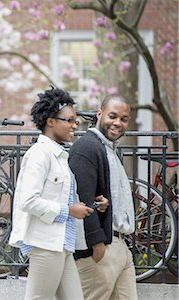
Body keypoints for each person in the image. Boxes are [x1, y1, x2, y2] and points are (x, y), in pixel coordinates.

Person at [9, 87, 108, 300]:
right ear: (51, 121)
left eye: (75, 120)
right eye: (69, 120)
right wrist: (69, 211)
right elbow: (28, 201)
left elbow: (60, 197)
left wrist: (91, 204)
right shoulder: (39, 154)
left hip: (62, 244)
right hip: (46, 245)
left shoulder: (59, 155)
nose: (75, 125)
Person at [69, 94, 137, 299]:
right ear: (99, 114)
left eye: (124, 119)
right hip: (101, 249)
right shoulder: (87, 148)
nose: (118, 123)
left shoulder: (111, 151)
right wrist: (97, 245)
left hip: (121, 248)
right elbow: (83, 198)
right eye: (112, 116)